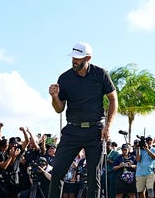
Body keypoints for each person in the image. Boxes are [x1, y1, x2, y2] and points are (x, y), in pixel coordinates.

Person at [47, 42, 118, 198]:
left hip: (95, 131)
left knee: (93, 175)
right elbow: (59, 108)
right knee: (57, 170)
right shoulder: (64, 78)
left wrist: (108, 126)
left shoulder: (100, 74)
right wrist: (55, 97)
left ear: (88, 58)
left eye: (78, 58)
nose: (75, 61)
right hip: (72, 130)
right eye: (73, 57)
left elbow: (113, 100)